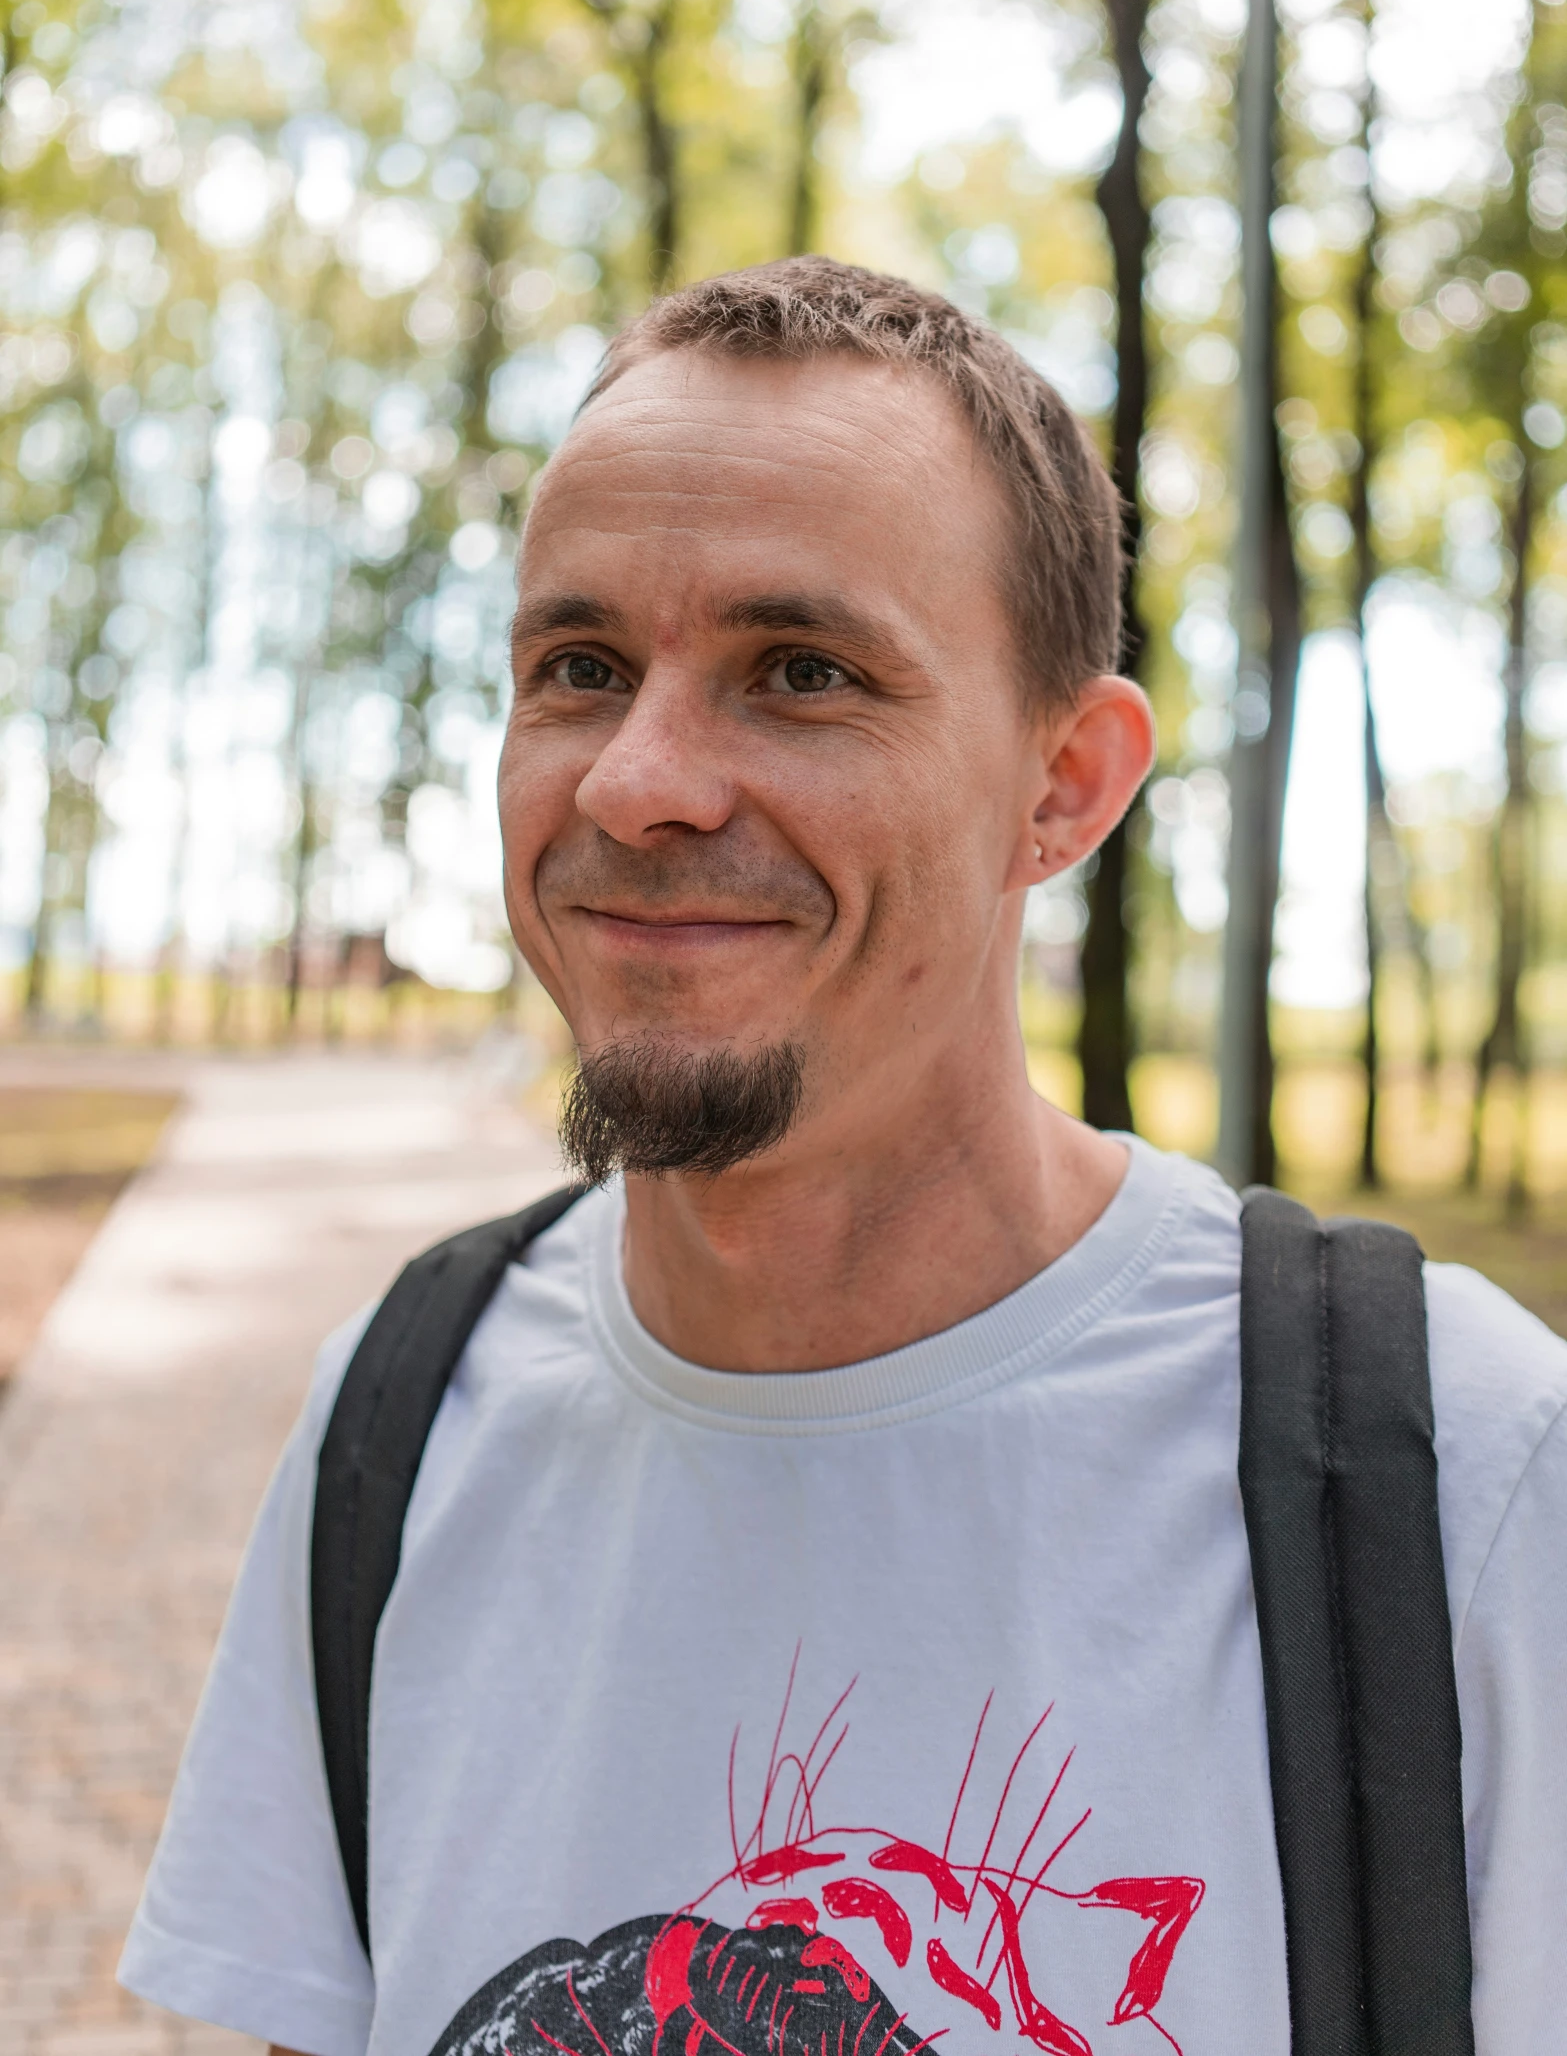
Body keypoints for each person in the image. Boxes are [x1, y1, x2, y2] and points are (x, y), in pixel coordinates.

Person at [120, 259, 1567, 2056]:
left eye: (798, 671)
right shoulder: (404, 1417)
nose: (639, 781)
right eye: (577, 666)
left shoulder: (1453, 1471)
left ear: (1065, 785)